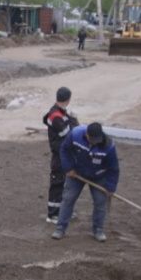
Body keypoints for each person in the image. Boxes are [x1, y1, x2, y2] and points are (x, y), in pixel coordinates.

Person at [50, 122, 119, 242]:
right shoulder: (75, 134)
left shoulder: (108, 146)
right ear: (86, 134)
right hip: (77, 174)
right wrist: (68, 168)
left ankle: (98, 230)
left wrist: (111, 187)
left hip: (98, 176)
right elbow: (64, 150)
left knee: (100, 203)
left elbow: (114, 168)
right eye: (92, 139)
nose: (95, 142)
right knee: (68, 199)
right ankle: (60, 228)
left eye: (97, 140)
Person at [43, 86, 79, 223]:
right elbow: (67, 133)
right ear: (68, 99)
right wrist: (73, 121)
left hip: (65, 154)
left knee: (65, 183)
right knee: (57, 183)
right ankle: (53, 214)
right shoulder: (56, 115)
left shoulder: (61, 113)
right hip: (59, 155)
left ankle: (64, 210)